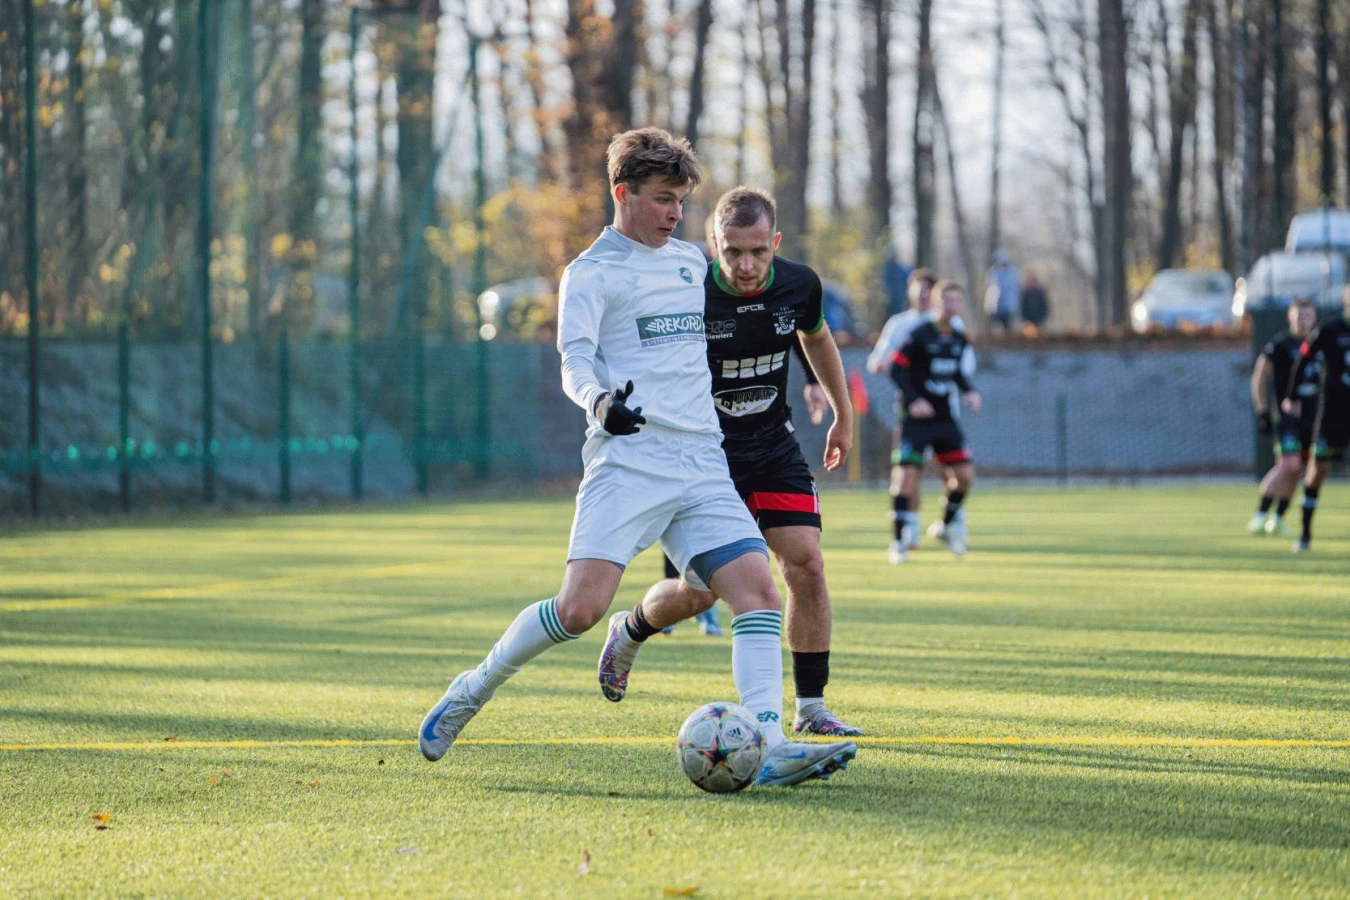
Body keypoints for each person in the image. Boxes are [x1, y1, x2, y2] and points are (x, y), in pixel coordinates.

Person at [418, 128, 856, 787]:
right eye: (662, 199)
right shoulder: (591, 273)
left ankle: (769, 744)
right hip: (629, 462)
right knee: (578, 611)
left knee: (759, 591)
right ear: (623, 194)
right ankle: (474, 685)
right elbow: (573, 361)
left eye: (680, 201)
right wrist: (599, 404)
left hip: (703, 461)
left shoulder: (690, 264)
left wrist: (819, 382)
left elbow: (765, 301)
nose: (675, 213)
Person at [596, 186, 863, 738]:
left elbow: (816, 338)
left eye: (758, 252)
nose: (745, 265)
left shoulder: (799, 284)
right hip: (705, 458)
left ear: (775, 243)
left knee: (807, 564)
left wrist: (843, 414)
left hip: (773, 446)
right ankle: (631, 628)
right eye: (733, 251)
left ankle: (811, 708)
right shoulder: (686, 289)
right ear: (713, 243)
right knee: (701, 593)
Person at [867, 268, 969, 563]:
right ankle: (906, 534)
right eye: (918, 289)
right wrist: (909, 391)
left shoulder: (954, 328)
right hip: (912, 411)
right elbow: (885, 361)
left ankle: (950, 523)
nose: (922, 295)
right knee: (908, 474)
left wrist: (967, 390)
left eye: (927, 290)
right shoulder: (904, 325)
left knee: (956, 474)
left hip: (945, 411)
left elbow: (963, 367)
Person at [888, 280, 982, 558]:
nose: (952, 305)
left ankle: (945, 525)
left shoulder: (959, 337)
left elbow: (955, 371)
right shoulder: (919, 334)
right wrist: (914, 400)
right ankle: (899, 543)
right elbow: (896, 370)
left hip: (944, 418)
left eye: (956, 300)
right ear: (936, 303)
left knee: (965, 477)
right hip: (915, 419)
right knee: (905, 479)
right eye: (947, 300)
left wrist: (969, 391)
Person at [1283, 285, 1350, 552]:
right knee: (1317, 471)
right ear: (1345, 300)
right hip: (1333, 412)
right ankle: (1305, 534)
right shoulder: (1330, 329)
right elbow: (1302, 359)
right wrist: (1291, 395)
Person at [1248, 298, 1319, 538]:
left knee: (1296, 471)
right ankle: (1260, 515)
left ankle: (1277, 519)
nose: (1303, 320)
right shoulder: (1281, 344)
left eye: (1307, 316)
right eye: (1299, 316)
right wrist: (1262, 411)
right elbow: (1259, 376)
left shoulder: (1319, 343)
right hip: (1287, 417)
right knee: (1289, 465)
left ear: (1314, 318)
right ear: (1290, 317)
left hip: (1312, 419)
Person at [984, 248, 1020, 333]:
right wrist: (989, 306)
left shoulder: (1013, 273)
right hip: (995, 308)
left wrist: (1014, 306)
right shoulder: (992, 273)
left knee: (1009, 330)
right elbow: (990, 291)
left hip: (1009, 308)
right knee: (996, 331)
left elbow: (1016, 291)